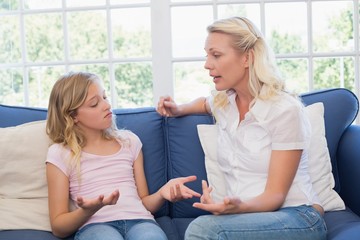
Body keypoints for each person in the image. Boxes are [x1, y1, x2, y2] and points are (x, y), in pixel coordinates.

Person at [157, 17, 327, 240]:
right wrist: (178, 109)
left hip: (297, 216)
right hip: (247, 218)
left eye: (216, 55)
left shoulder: (285, 110)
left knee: (203, 229)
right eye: (207, 55)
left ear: (247, 58)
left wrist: (238, 207)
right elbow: (204, 103)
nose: (207, 64)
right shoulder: (224, 102)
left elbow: (275, 195)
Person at [45, 71, 201, 240]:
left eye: (105, 97)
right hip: (96, 225)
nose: (106, 105)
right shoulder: (60, 153)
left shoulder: (129, 141)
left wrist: (162, 193)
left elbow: (144, 202)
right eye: (94, 104)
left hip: (141, 221)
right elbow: (59, 227)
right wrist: (87, 211)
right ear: (72, 116)